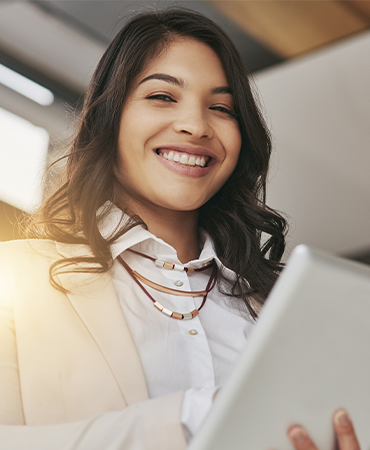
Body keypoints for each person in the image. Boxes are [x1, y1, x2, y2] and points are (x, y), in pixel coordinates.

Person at [0, 7, 361, 450]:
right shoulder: (15, 278)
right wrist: (187, 417)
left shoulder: (282, 306)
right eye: (162, 97)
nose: (196, 125)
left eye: (221, 108)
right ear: (109, 118)